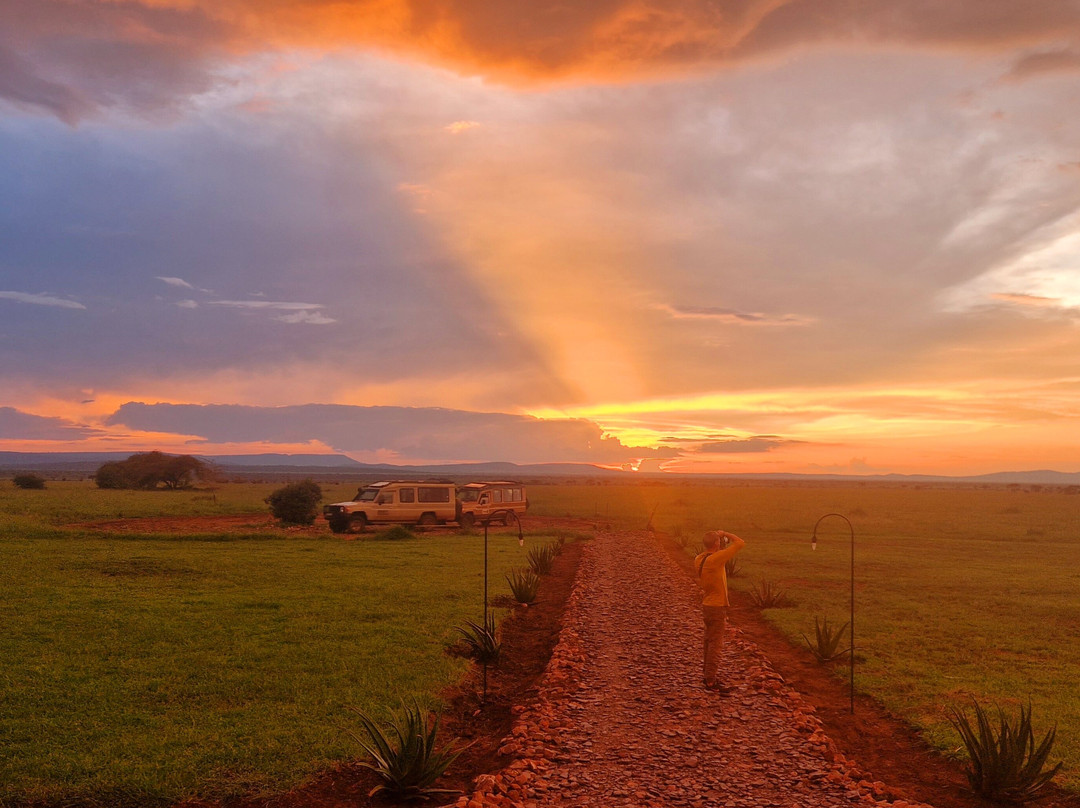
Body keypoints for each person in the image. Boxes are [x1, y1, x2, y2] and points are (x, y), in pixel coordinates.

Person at [694, 529, 746, 693]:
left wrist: (718, 538)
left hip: (707, 604)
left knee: (708, 642)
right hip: (717, 607)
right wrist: (726, 534)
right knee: (716, 644)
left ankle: (707, 675)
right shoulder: (716, 559)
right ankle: (711, 682)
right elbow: (740, 543)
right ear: (716, 544)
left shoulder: (699, 558)